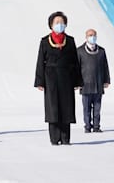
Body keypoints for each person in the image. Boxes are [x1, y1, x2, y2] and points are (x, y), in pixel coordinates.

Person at [34, 11, 83, 145]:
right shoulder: (45, 41)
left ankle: (66, 138)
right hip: (51, 79)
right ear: (51, 25)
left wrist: (78, 81)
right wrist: (40, 81)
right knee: (53, 108)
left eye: (61, 22)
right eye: (57, 23)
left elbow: (75, 62)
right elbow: (40, 62)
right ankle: (55, 138)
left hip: (66, 78)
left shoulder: (70, 41)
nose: (59, 25)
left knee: (66, 108)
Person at [76, 28, 110, 133]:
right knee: (86, 108)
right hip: (85, 84)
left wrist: (106, 80)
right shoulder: (80, 51)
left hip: (98, 84)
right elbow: (76, 68)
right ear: (86, 37)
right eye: (90, 35)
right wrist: (76, 82)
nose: (92, 37)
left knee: (97, 108)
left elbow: (105, 66)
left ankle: (96, 126)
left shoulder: (101, 51)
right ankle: (87, 126)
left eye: (94, 35)